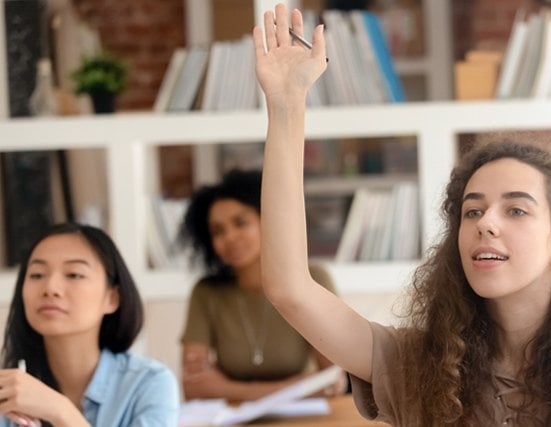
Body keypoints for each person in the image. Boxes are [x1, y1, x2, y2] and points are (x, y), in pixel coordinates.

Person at [252, 4, 551, 425]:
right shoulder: (416, 368)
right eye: (472, 210)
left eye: (516, 209)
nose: (486, 223)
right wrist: (287, 106)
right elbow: (290, 288)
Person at [178, 169, 345, 401]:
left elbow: (334, 379)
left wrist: (226, 388)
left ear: (268, 220)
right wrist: (298, 387)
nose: (230, 237)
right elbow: (195, 386)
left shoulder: (312, 278)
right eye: (218, 230)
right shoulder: (206, 293)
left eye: (240, 222)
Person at [0, 223, 178, 426]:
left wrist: (60, 411)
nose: (50, 288)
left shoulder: (149, 383)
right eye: (37, 275)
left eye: (74, 274)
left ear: (111, 298)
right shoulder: (9, 389)